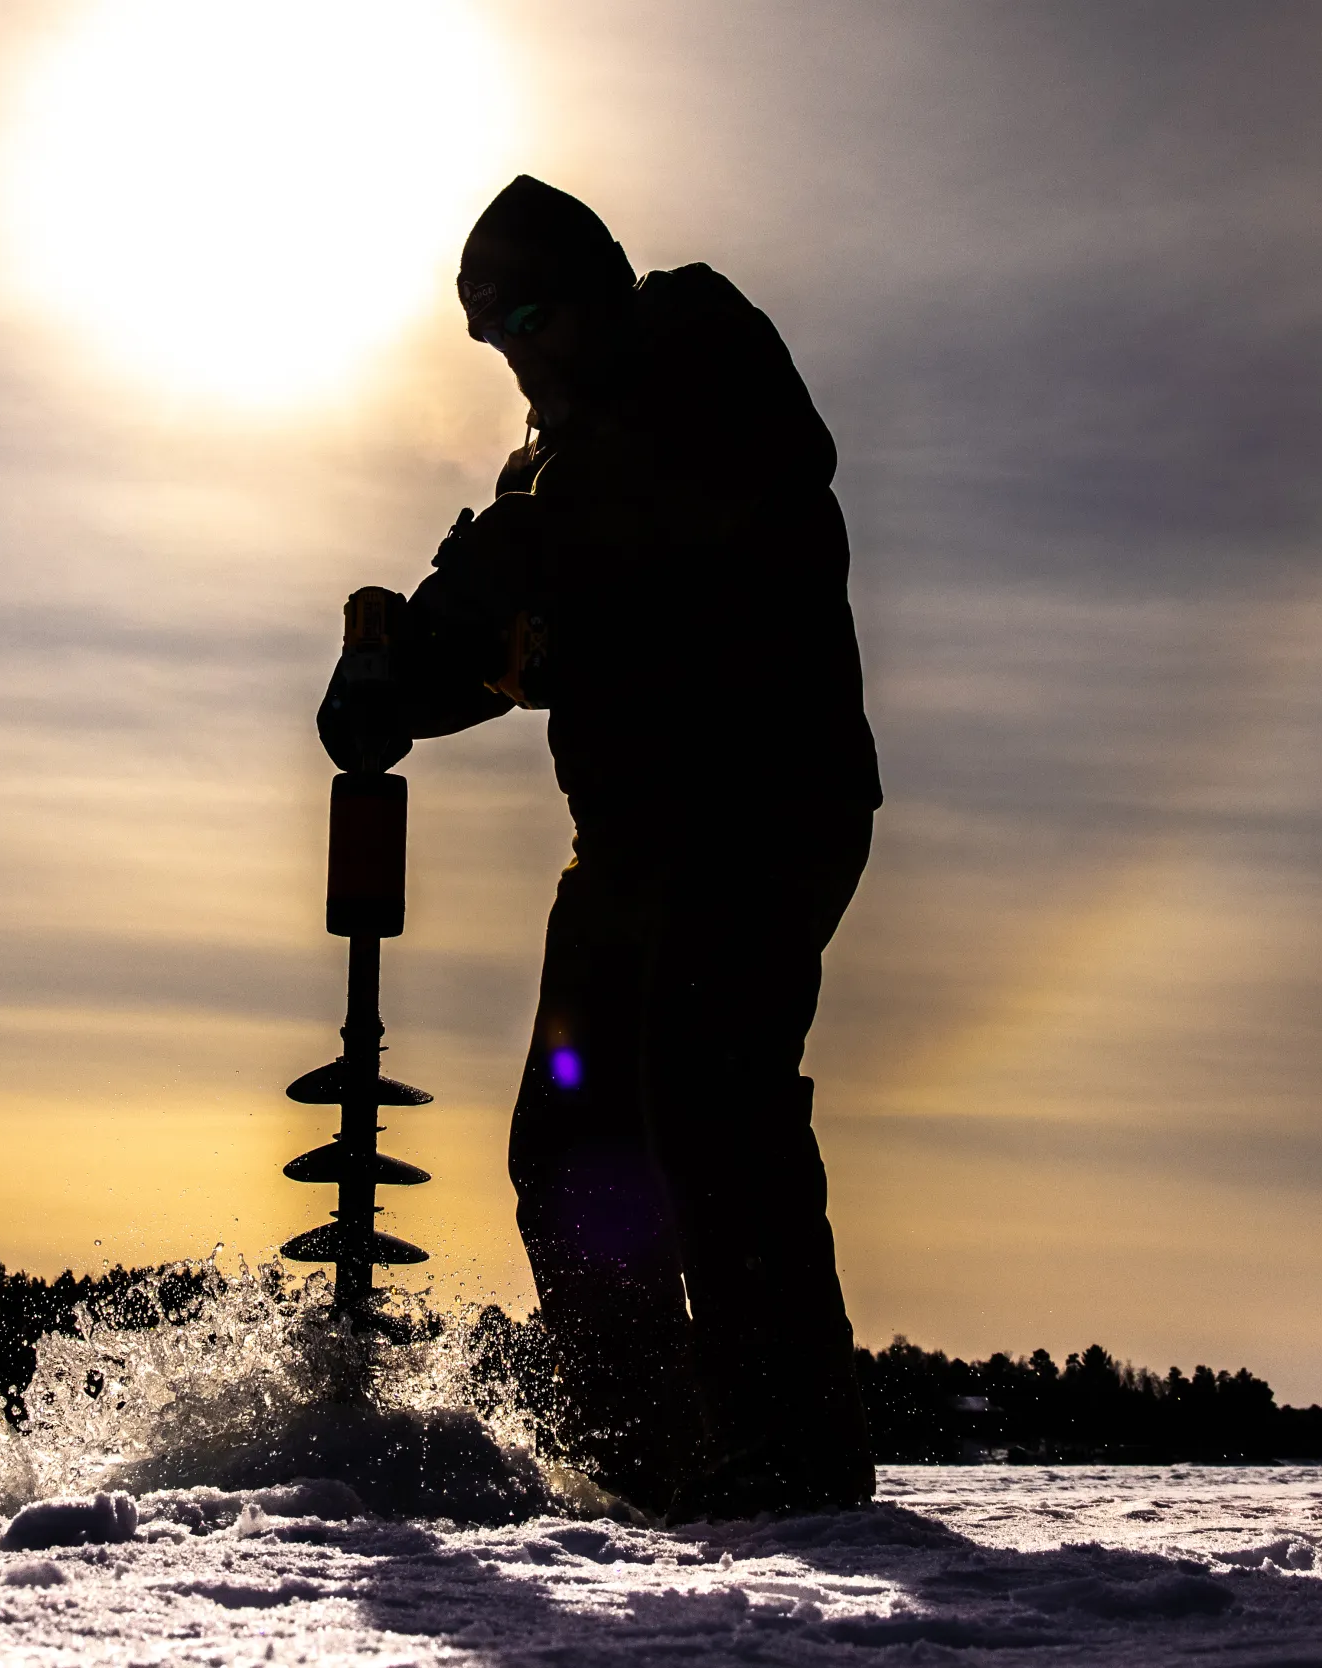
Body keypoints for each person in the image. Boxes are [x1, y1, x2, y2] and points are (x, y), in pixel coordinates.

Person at [319, 176, 883, 1519]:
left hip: (764, 809)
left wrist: (491, 567)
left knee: (708, 1090)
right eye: (491, 335)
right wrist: (403, 683)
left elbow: (639, 505)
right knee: (567, 1145)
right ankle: (643, 1459)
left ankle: (789, 1459)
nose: (517, 353)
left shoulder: (704, 356)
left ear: (595, 288)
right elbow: (521, 647)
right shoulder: (548, 475)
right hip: (630, 849)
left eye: (531, 317)